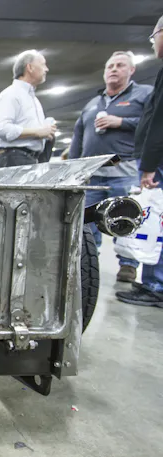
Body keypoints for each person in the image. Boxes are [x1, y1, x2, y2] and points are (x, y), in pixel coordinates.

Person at [69, 51, 153, 283]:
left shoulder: (143, 95)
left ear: (131, 70)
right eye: (110, 66)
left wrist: (121, 122)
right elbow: (78, 137)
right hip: (92, 174)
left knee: (125, 220)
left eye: (120, 65)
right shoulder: (93, 104)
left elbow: (153, 124)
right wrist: (72, 168)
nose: (114, 69)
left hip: (124, 170)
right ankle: (88, 261)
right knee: (86, 222)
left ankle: (128, 264)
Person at [117, 16, 163, 307]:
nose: (153, 43)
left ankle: (156, 285)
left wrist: (148, 164)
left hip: (158, 163)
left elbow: (159, 123)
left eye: (153, 36)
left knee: (157, 222)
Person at [0, 50, 57, 168]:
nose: (46, 69)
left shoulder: (33, 99)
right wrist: (37, 132)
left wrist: (45, 132)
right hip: (13, 159)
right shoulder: (11, 94)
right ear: (30, 67)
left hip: (28, 159)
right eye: (43, 64)